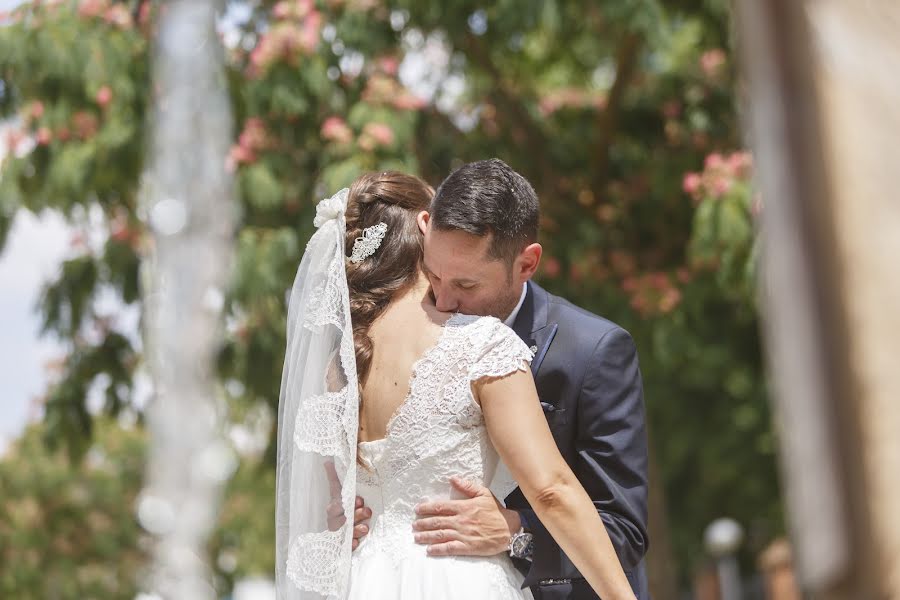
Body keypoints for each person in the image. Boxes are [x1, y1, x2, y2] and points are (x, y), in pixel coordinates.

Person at [275, 170, 639, 600]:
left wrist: (514, 532)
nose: (446, 301)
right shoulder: (481, 342)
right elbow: (551, 489)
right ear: (424, 231)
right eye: (436, 273)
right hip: (457, 580)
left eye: (465, 284)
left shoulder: (341, 366)